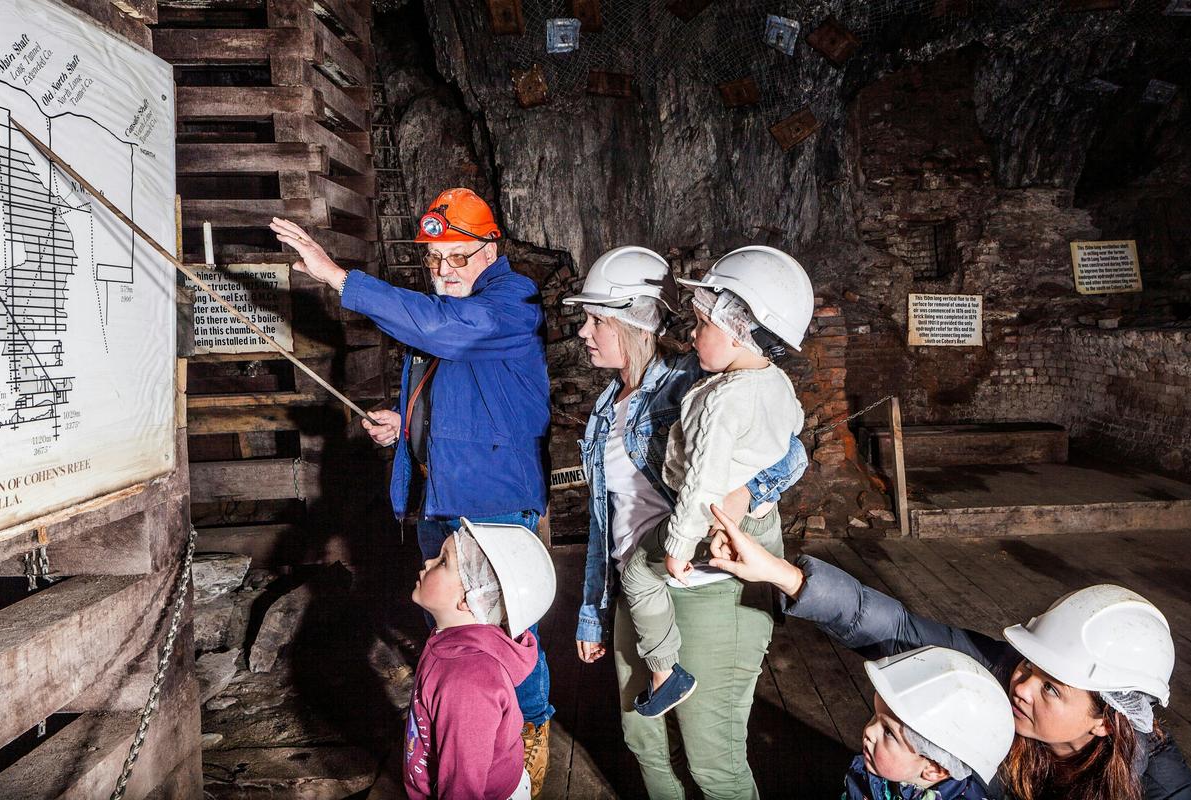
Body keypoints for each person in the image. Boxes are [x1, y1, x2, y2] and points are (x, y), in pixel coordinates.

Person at [270, 189, 555, 793]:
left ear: (490, 249)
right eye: (434, 258)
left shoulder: (513, 301)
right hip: (441, 494)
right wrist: (404, 424)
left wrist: (338, 277)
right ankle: (456, 720)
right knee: (451, 622)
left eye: (458, 257)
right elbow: (463, 388)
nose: (444, 270)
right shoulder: (452, 307)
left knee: (505, 627)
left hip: (492, 500)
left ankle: (529, 724)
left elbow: (449, 334)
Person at [705, 505, 1191, 800]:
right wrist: (783, 575)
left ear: (1105, 719)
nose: (1021, 685)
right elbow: (898, 631)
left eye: (1051, 688)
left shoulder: (1159, 782)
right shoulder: (1000, 675)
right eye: (1030, 665)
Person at [562, 245, 810, 798]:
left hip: (706, 590)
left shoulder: (693, 380)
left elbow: (792, 451)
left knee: (712, 762)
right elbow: (607, 519)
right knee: (642, 738)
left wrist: (746, 493)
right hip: (638, 586)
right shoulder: (604, 409)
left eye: (596, 319)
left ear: (632, 322)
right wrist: (592, 610)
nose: (583, 332)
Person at [619, 246, 811, 717]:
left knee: (638, 573)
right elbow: (794, 428)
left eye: (704, 324)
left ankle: (665, 672)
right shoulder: (776, 381)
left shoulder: (723, 400)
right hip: (754, 516)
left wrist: (680, 545)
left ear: (737, 331)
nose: (693, 333)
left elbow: (702, 482)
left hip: (711, 517)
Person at [404, 519, 557, 800]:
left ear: (469, 598)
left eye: (443, 562)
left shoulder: (466, 684)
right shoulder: (450, 639)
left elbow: (463, 788)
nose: (428, 562)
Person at [848, 646, 1014, 800]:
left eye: (888, 732)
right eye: (875, 715)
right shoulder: (876, 764)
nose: (869, 731)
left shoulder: (882, 763)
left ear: (934, 769)